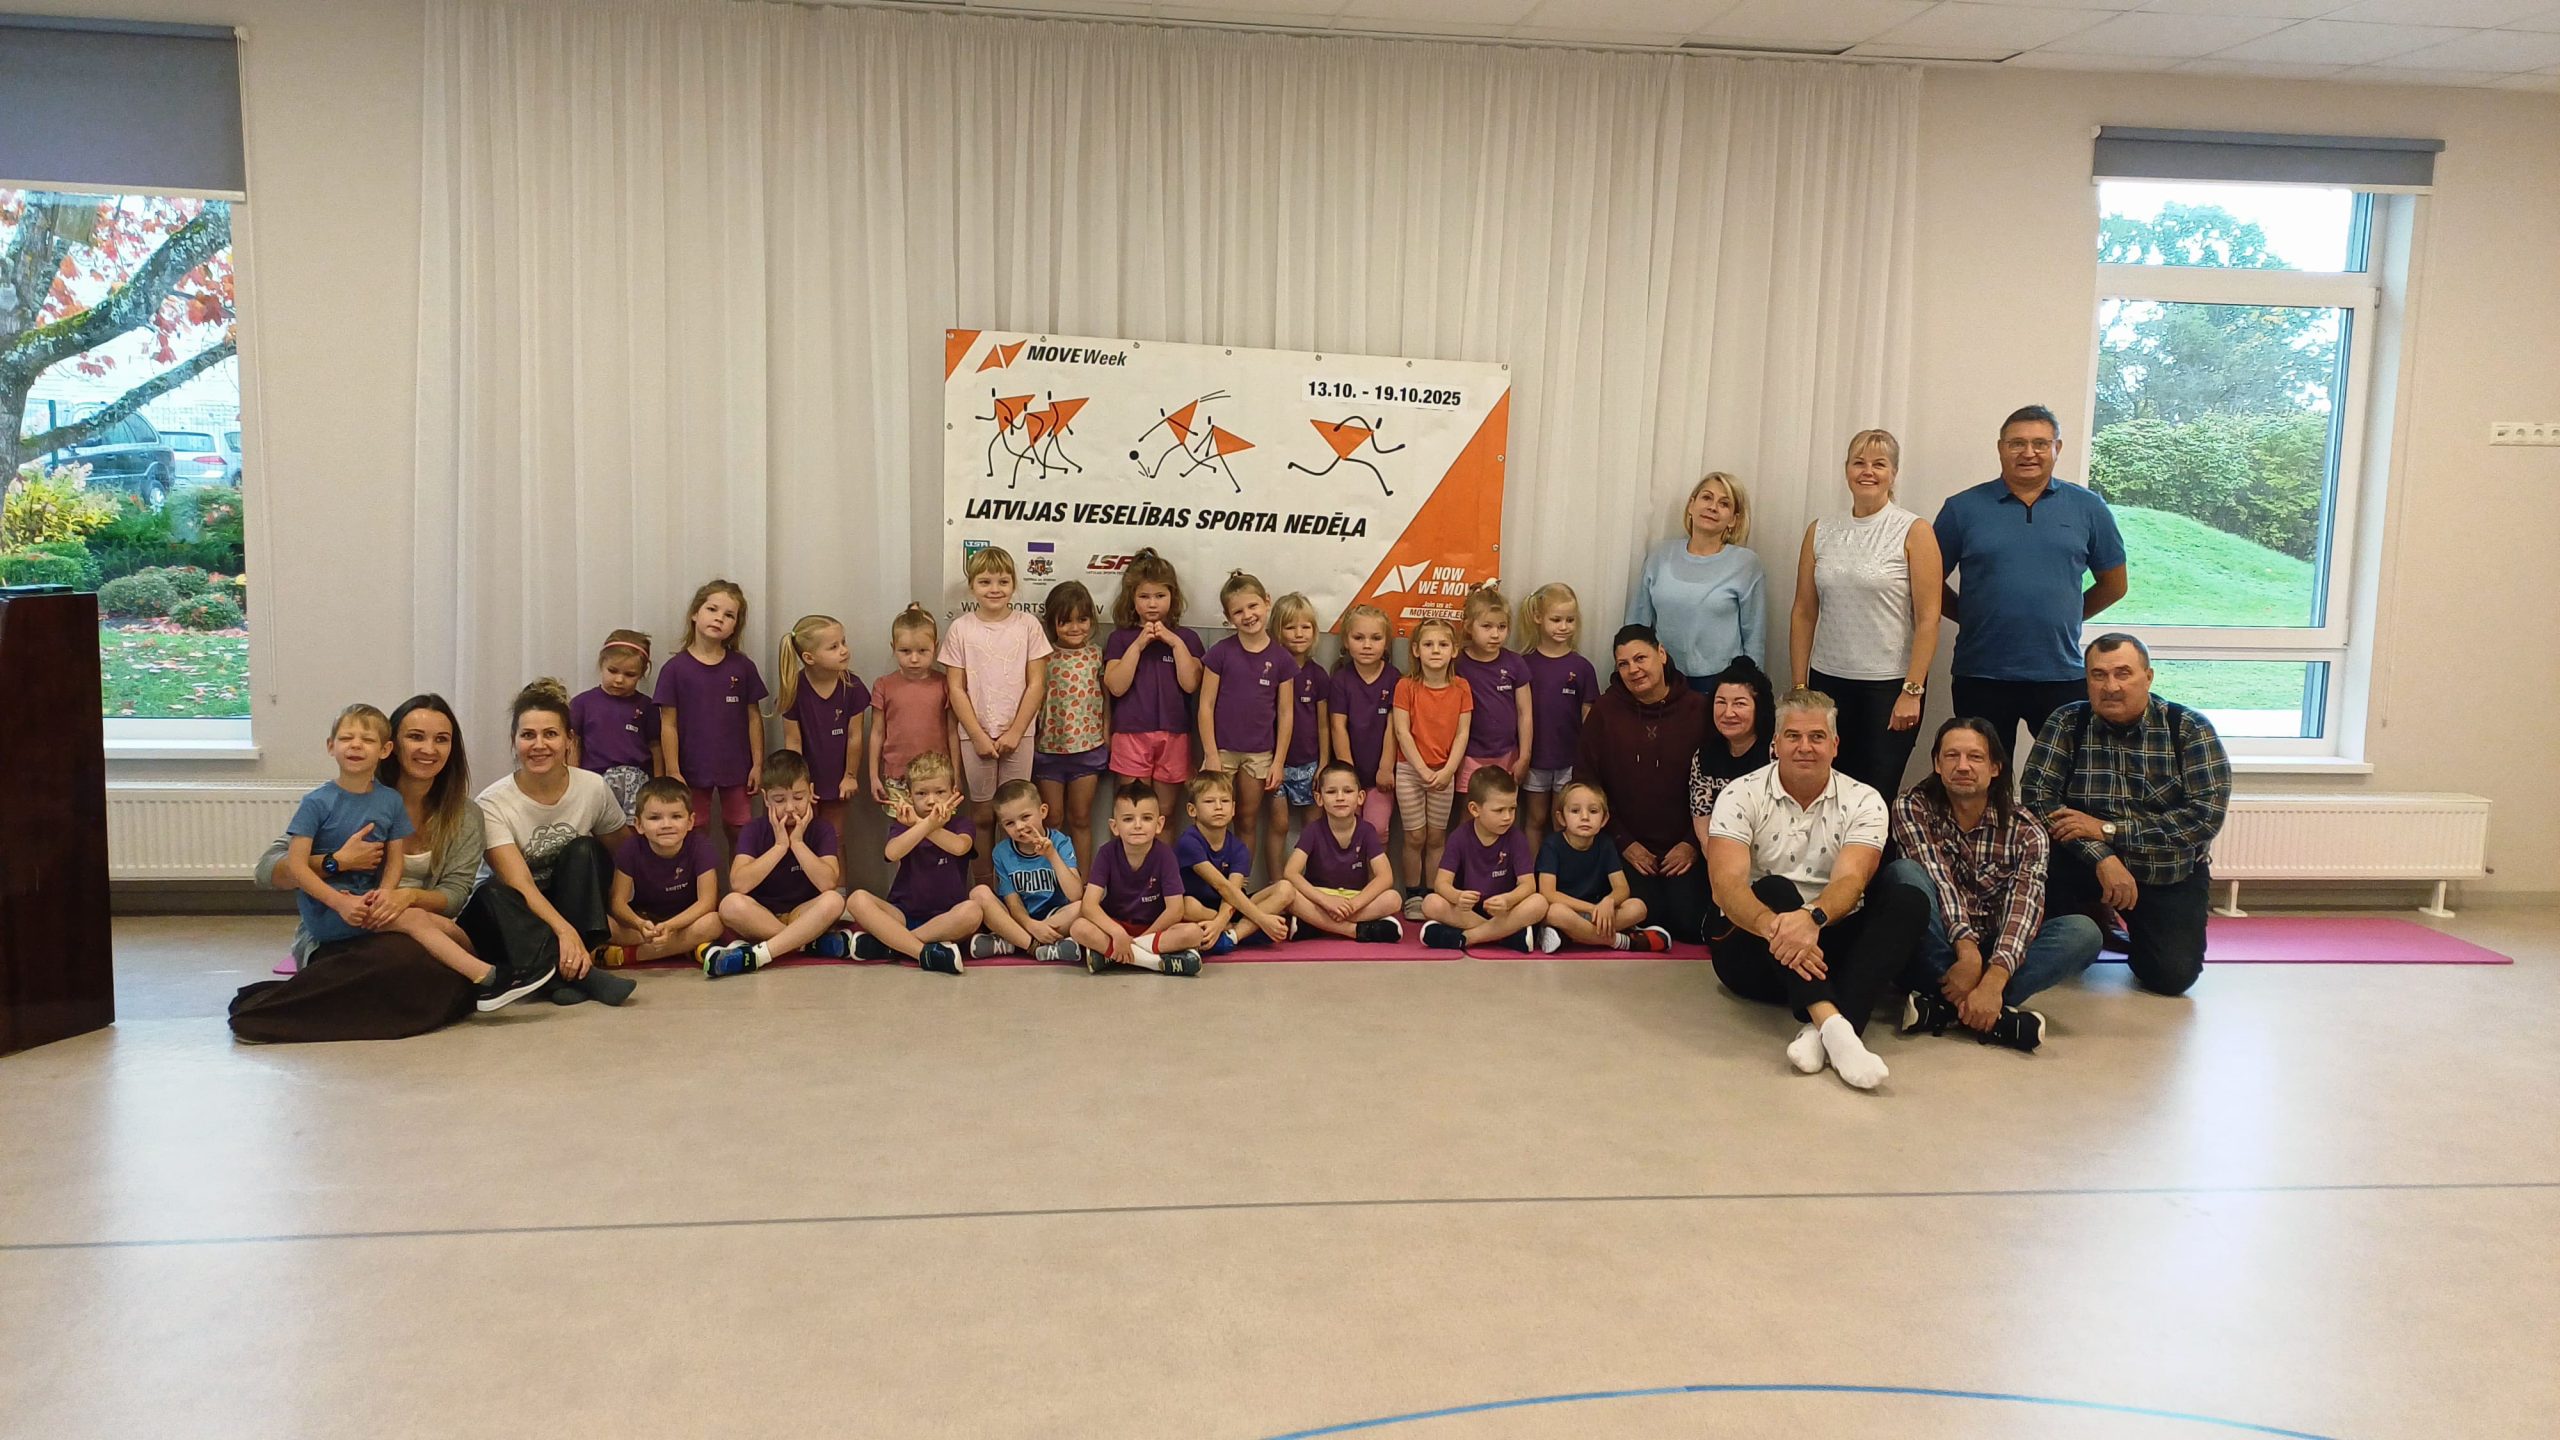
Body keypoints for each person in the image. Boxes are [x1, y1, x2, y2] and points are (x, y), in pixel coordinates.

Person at [240, 695, 534, 1039]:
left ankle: (326, 1005)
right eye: (416, 737)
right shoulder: (345, 798)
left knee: (415, 960)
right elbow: (267, 870)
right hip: (347, 929)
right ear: (392, 746)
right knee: (406, 962)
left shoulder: (465, 815)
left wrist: (405, 897)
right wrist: (336, 862)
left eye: (441, 739)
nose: (429, 749)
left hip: (419, 929)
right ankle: (270, 1012)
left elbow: (454, 896)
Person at [1705, 688, 1928, 1092]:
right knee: (1775, 889)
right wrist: (1780, 928)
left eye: (1817, 737)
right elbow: (1726, 885)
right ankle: (1838, 1029)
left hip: (1827, 938)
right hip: (1753, 947)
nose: (1804, 747)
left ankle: (1822, 1031)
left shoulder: (1865, 800)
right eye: (1793, 736)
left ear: (1835, 745)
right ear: (1775, 744)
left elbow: (1851, 880)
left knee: (1908, 899)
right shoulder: (1739, 794)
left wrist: (1812, 919)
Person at [2020, 634, 2230, 998]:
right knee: (2034, 864)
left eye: (2123, 673)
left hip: (2164, 870)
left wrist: (2109, 831)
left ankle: (2129, 924)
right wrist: (2103, 857)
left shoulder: (2189, 729)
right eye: (2098, 675)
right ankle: (2090, 916)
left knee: (2170, 977)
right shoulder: (2067, 723)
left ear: (2148, 677)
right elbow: (2037, 798)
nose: (2111, 687)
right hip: (2082, 863)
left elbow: (2203, 819)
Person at [1885, 718, 2102, 1052]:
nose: (1962, 766)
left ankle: (1949, 1007)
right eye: (1952, 756)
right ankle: (1991, 1016)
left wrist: (1994, 978)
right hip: (1939, 948)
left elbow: (2025, 906)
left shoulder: (2027, 829)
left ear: (1995, 767)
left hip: (1997, 949)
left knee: (2084, 932)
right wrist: (1966, 954)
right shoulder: (1912, 807)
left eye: (1975, 757)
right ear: (1937, 765)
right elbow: (1938, 880)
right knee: (1905, 874)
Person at [1934, 405, 2130, 757]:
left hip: (2061, 672)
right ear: (2000, 448)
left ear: (2057, 448)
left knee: (2068, 773)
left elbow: (2114, 584)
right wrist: (1971, 616)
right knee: (1983, 775)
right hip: (1982, 674)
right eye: (2017, 443)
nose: (2028, 453)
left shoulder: (2089, 508)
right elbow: (1927, 584)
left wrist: (2067, 616)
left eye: (2040, 443)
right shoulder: (1961, 509)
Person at [465, 678, 639, 1006]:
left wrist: (625, 904)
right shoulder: (492, 803)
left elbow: (625, 853)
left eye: (550, 734)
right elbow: (521, 885)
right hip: (517, 913)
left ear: (569, 740)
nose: (539, 745)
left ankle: (568, 970)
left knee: (585, 849)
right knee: (491, 894)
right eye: (528, 735)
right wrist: (563, 931)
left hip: (572, 907)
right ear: (514, 741)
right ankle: (582, 976)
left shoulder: (592, 787)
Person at [1789, 428, 1944, 794]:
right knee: (1826, 788)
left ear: (1894, 473)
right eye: (1859, 463)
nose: (1868, 472)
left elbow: (1929, 619)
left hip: (1888, 687)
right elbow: (1804, 611)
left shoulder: (1914, 530)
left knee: (1875, 793)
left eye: (1879, 464)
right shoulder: (1820, 530)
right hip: (1828, 682)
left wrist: (1913, 690)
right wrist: (1800, 687)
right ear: (1847, 469)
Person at [1575, 625, 1712, 942]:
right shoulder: (1605, 711)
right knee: (1646, 912)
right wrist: (1624, 842)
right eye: (1623, 664)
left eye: (1640, 658)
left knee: (1689, 925)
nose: (1633, 670)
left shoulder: (1699, 710)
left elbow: (1719, 786)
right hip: (1627, 847)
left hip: (1684, 846)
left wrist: (1692, 844)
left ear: (1661, 654)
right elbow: (1585, 781)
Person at [700, 749, 852, 978]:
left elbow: (827, 883)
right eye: (780, 800)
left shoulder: (822, 829)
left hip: (803, 913)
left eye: (798, 798)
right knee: (729, 905)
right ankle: (805, 943)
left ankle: (761, 954)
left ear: (811, 792)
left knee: (834, 900)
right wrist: (780, 846)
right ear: (766, 798)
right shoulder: (754, 830)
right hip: (763, 916)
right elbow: (739, 884)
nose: (790, 808)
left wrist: (797, 843)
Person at [942, 544, 1053, 849]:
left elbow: (1036, 684)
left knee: (1017, 816)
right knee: (982, 815)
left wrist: (1016, 731)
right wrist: (977, 735)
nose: (994, 589)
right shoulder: (960, 629)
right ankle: (984, 878)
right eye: (985, 582)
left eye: (1003, 581)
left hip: (1019, 735)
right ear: (972, 586)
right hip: (975, 736)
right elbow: (956, 688)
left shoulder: (1028, 626)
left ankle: (1013, 878)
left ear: (1014, 585)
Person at [1625, 470, 1766, 690]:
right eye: (1707, 497)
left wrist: (1750, 688)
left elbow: (1754, 636)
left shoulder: (1746, 564)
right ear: (1691, 505)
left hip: (1720, 683)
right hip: (1663, 679)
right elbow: (1637, 624)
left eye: (1724, 504)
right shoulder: (1660, 555)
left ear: (1733, 520)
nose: (1713, 507)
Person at [1199, 570, 1297, 879]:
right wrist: (1210, 754)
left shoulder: (1281, 659)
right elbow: (1205, 706)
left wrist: (1278, 761)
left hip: (1259, 754)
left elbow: (1286, 713)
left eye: (1253, 606)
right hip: (1222, 751)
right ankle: (1210, 884)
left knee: (1247, 819)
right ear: (1229, 618)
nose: (1248, 615)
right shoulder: (1220, 653)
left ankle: (1238, 884)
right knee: (1214, 819)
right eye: (1238, 611)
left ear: (1267, 602)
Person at [656, 578, 766, 848]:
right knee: (695, 831)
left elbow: (754, 718)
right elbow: (668, 724)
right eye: (712, 609)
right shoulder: (674, 669)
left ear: (735, 627)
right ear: (695, 613)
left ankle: (742, 876)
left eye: (729, 615)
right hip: (691, 768)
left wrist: (757, 764)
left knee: (741, 829)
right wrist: (673, 770)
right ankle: (702, 877)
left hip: (737, 767)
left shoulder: (742, 667)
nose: (719, 618)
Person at [846, 751, 976, 974]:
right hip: (903, 914)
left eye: (940, 792)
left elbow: (959, 847)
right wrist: (922, 824)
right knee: (857, 900)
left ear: (953, 792)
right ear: (909, 795)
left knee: (972, 911)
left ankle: (892, 945)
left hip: (946, 919)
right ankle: (922, 952)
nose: (931, 800)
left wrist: (927, 825)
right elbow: (892, 853)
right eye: (921, 793)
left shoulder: (961, 824)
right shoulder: (904, 825)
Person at [1102, 547, 1205, 820]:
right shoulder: (1120, 639)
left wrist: (1175, 643)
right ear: (1131, 598)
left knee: (1164, 814)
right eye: (1144, 596)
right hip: (1131, 734)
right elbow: (1116, 686)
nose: (1152, 604)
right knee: (1132, 812)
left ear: (1173, 596)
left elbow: (1190, 684)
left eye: (1160, 596)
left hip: (1175, 734)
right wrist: (1138, 645)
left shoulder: (1187, 638)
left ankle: (1162, 852)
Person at [1072, 786, 1211, 973]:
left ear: (1159, 824)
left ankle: (1114, 956)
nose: (1137, 825)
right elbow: (1089, 905)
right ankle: (1155, 962)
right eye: (1128, 819)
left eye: (1146, 818)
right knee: (1079, 928)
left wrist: (1142, 938)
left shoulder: (1165, 855)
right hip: (1117, 924)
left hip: (1154, 928)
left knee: (1193, 933)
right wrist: (1117, 933)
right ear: (1114, 826)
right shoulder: (1106, 853)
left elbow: (1175, 910)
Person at [1390, 616, 1473, 918]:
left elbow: (1463, 733)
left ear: (1454, 650)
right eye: (1428, 644)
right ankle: (1414, 894)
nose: (1435, 650)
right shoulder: (1406, 686)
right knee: (1415, 836)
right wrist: (1422, 770)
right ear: (1415, 650)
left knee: (1437, 837)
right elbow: (1402, 732)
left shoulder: (1462, 687)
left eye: (1442, 644)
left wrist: (1448, 770)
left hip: (1444, 772)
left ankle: (1434, 894)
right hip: (1410, 771)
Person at [1419, 768, 1550, 952]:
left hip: (1504, 911)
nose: (1508, 817)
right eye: (1499, 810)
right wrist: (1457, 896)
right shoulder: (1459, 837)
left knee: (1539, 902)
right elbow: (1441, 883)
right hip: (1469, 912)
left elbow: (1528, 885)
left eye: (1512, 809)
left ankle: (1467, 937)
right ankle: (1506, 936)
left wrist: (1508, 900)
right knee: (1430, 903)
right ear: (1475, 809)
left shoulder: (1517, 838)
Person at [600, 776, 725, 969]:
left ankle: (631, 956)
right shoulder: (630, 849)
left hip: (685, 921)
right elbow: (618, 903)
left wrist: (671, 926)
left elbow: (707, 902)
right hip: (645, 924)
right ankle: (686, 948)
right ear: (639, 824)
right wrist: (639, 924)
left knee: (714, 922)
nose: (666, 825)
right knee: (604, 925)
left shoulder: (700, 846)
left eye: (676, 816)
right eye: (655, 818)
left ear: (690, 821)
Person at [1535, 780, 1672, 951]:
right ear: (1561, 818)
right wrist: (1592, 909)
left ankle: (1574, 935)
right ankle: (1622, 941)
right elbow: (1548, 893)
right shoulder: (1552, 845)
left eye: (1593, 811)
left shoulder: (1605, 844)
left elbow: (1622, 888)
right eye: (1575, 811)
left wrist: (1608, 901)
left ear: (1604, 819)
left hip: (1598, 913)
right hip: (1571, 910)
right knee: (1554, 912)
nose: (1585, 817)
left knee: (1638, 907)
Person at [775, 612, 869, 859]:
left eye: (843, 642)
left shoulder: (853, 686)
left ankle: (838, 884)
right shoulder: (793, 690)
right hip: (806, 782)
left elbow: (855, 737)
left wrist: (850, 776)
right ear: (809, 657)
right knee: (802, 839)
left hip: (838, 781)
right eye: (833, 647)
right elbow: (793, 742)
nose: (844, 650)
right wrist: (799, 784)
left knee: (834, 841)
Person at [1515, 582, 1598, 856]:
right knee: (1535, 819)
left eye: (1570, 620)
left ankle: (1559, 873)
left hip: (1569, 761)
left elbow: (1589, 719)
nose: (1563, 627)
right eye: (1556, 620)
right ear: (1538, 618)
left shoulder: (1582, 667)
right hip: (1535, 759)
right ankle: (1532, 874)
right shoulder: (1523, 664)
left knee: (1562, 820)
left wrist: (1587, 761)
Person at [1284, 762, 1406, 944]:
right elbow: (1290, 873)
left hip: (1353, 898)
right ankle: (1355, 930)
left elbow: (1385, 877)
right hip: (1320, 898)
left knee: (1393, 899)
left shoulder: (1367, 831)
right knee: (1289, 894)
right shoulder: (1312, 830)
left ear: (1360, 797)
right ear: (1319, 798)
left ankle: (1315, 925)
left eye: (1348, 791)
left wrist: (1353, 905)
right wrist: (1326, 901)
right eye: (1331, 792)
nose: (1340, 797)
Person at [1175, 770, 1295, 951]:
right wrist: (1262, 919)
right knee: (1187, 905)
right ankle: (1248, 929)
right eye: (1209, 801)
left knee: (1286, 888)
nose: (1218, 807)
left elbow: (1233, 890)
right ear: (1192, 810)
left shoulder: (1239, 848)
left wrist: (1219, 923)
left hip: (1233, 904)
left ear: (1232, 809)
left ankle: (1232, 936)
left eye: (1224, 801)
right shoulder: (1189, 842)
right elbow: (1222, 885)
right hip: (1202, 908)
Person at [971, 778, 1087, 964]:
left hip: (1054, 916)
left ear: (1043, 811)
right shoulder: (1001, 852)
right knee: (979, 893)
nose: (1019, 827)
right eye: (1009, 823)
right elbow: (1013, 903)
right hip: (1018, 919)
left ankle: (1011, 941)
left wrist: (1052, 856)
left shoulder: (1061, 842)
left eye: (1025, 817)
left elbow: (1075, 895)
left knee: (1084, 906)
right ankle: (1035, 945)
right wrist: (1030, 925)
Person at [1033, 581, 1109, 861]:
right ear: (1052, 622)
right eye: (1065, 621)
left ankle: (1084, 882)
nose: (1075, 628)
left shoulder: (1096, 655)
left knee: (1081, 818)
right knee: (1052, 819)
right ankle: (1052, 880)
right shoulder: (1043, 657)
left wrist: (1107, 734)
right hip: (1049, 750)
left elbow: (1107, 699)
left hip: (1087, 750)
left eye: (1082, 620)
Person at [868, 603, 959, 817]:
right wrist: (873, 776)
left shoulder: (945, 684)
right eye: (905, 651)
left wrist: (957, 775)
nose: (914, 659)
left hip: (938, 778)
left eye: (922, 651)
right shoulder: (884, 685)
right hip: (897, 776)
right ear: (893, 647)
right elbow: (877, 733)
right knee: (903, 829)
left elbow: (953, 732)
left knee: (939, 827)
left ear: (935, 647)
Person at [1327, 601, 1401, 847]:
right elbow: (1337, 727)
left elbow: (1394, 728)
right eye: (1359, 638)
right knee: (1348, 830)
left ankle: (1377, 874)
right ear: (1346, 642)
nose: (1367, 645)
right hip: (1350, 773)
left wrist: (1386, 767)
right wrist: (1348, 775)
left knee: (1377, 829)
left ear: (1386, 642)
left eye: (1375, 638)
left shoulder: (1394, 678)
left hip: (1381, 774)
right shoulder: (1340, 680)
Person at [568, 629, 660, 822]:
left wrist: (659, 784)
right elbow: (573, 743)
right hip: (595, 779)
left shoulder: (647, 706)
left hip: (637, 782)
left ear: (642, 674)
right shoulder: (583, 703)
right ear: (601, 664)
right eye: (613, 671)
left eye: (630, 674)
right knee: (597, 827)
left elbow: (656, 746)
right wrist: (572, 780)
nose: (619, 680)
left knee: (636, 829)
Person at [1452, 584, 1534, 794]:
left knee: (1502, 806)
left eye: (1502, 626)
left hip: (1507, 754)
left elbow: (1525, 713)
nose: (1495, 634)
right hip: (1468, 755)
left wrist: (1525, 755)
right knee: (1470, 808)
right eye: (1487, 626)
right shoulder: (1457, 663)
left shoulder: (1515, 663)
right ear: (1468, 626)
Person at [1271, 591, 1329, 883]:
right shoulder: (1271, 669)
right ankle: (1276, 883)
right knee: (1280, 824)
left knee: (1313, 828)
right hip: (1275, 762)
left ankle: (1311, 884)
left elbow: (1324, 725)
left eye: (1305, 626)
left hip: (1310, 763)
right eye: (1290, 627)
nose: (1298, 633)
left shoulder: (1318, 675)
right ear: (1277, 630)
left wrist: (1324, 763)